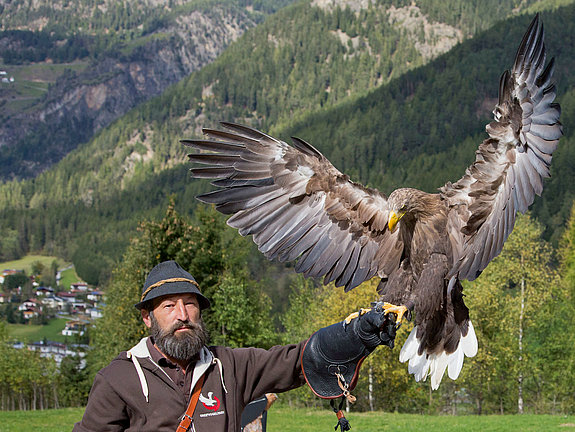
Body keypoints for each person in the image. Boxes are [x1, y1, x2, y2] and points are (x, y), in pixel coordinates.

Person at [73, 260, 397, 432]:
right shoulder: (118, 379)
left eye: (190, 304)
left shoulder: (229, 366)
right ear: (148, 318)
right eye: (169, 306)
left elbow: (298, 360)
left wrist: (352, 334)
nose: (183, 315)